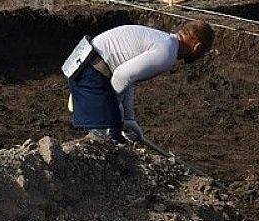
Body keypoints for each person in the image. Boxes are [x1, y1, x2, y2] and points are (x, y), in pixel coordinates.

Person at [64, 21, 213, 143]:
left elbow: (128, 77)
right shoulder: (166, 53)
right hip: (90, 73)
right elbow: (122, 75)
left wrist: (128, 118)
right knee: (108, 140)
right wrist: (117, 111)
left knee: (112, 136)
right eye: (204, 52)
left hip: (87, 65)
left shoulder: (163, 40)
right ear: (197, 47)